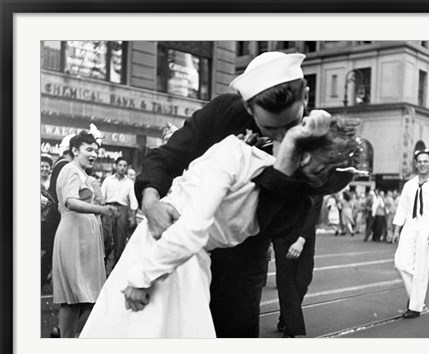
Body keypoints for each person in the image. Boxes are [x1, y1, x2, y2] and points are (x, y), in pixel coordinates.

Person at [80, 113, 365, 338]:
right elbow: (190, 224)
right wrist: (143, 276)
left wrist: (143, 277)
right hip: (169, 250)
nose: (312, 173)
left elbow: (197, 230)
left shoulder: (285, 192)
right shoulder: (238, 154)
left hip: (182, 259)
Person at [132, 51, 318, 337]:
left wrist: (292, 162)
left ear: (305, 95)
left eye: (290, 124)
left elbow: (286, 218)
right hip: (185, 255)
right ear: (248, 107)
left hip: (244, 263)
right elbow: (168, 154)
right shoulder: (223, 113)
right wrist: (150, 198)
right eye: (270, 128)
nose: (282, 136)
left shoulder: (312, 138)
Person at [52, 131, 118, 337]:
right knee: (78, 296)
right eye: (88, 149)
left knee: (77, 298)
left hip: (81, 236)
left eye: (95, 150)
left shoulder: (82, 174)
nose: (93, 154)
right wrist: (102, 210)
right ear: (74, 150)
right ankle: (67, 337)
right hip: (74, 236)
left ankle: (66, 337)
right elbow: (70, 201)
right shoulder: (70, 170)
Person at [392, 149, 429, 318]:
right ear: (415, 163)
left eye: (426, 161)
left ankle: (415, 307)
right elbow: (402, 208)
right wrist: (397, 229)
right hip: (410, 227)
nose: (422, 164)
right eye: (419, 161)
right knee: (400, 263)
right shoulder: (409, 185)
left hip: (428, 229)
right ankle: (415, 298)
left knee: (421, 268)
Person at [273, 196, 322, 338]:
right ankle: (291, 328)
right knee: (285, 278)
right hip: (282, 232)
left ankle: (286, 316)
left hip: (305, 234)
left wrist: (301, 240)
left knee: (304, 278)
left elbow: (314, 209)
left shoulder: (314, 178)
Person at [41, 135, 75, 291]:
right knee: (51, 251)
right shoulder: (65, 165)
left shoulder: (61, 164)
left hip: (55, 213)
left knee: (51, 251)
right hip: (58, 215)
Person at [101, 157, 138, 267]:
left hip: (122, 210)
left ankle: (116, 267)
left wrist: (133, 217)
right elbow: (102, 197)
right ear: (116, 166)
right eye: (120, 165)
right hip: (108, 208)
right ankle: (103, 263)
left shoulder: (129, 183)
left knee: (120, 239)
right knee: (105, 237)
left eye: (124, 166)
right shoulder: (108, 180)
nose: (122, 168)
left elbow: (133, 201)